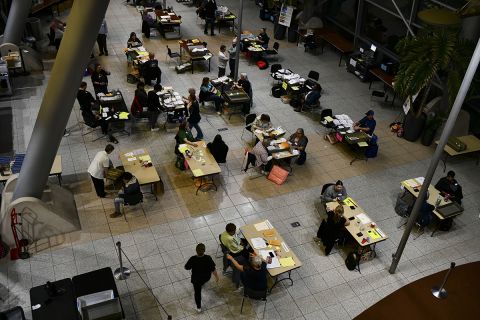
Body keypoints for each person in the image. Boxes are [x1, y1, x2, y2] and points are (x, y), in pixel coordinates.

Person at [185, 243, 219, 313]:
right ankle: (202, 284)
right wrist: (216, 276)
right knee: (202, 282)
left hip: (196, 279)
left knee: (197, 293)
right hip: (206, 277)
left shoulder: (193, 259)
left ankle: (199, 307)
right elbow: (213, 269)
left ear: (196, 251)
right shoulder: (208, 258)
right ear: (204, 250)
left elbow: (186, 267)